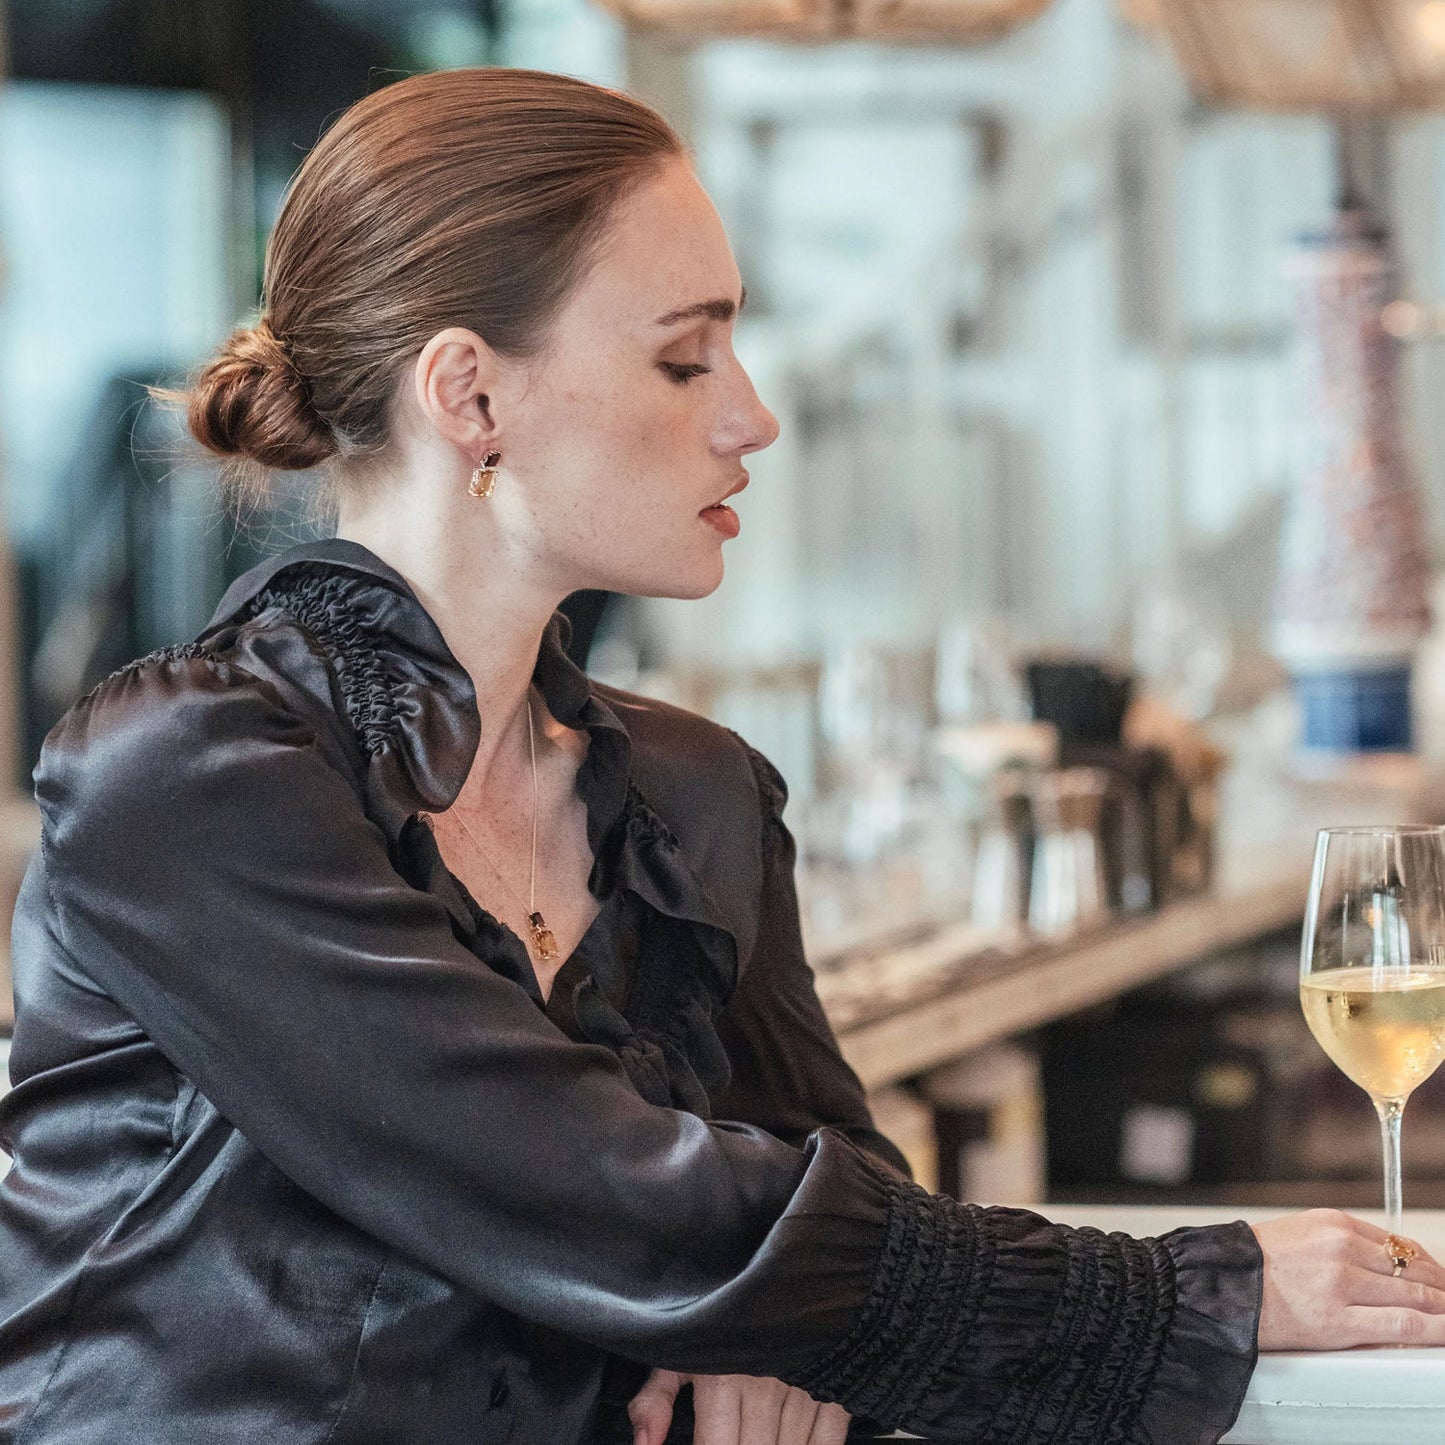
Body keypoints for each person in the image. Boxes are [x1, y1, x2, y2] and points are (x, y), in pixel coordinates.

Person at [0, 65, 1441, 1445]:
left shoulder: (694, 790)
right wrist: (1186, 1289)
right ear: (470, 397)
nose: (751, 415)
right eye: (684, 356)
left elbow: (827, 1183)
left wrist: (779, 1323)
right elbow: (592, 1192)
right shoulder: (187, 775)